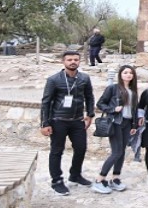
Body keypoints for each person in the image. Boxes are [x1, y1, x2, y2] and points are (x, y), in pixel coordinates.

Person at [40, 51, 95, 196]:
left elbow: (89, 97)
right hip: (59, 121)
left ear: (79, 61)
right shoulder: (53, 80)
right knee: (57, 151)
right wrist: (45, 123)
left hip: (77, 121)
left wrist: (90, 115)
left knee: (81, 148)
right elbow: (45, 102)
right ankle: (57, 181)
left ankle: (75, 175)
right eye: (69, 59)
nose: (73, 62)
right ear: (63, 62)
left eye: (76, 59)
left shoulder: (84, 78)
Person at [92, 65, 138, 194]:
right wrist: (112, 109)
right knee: (116, 152)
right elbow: (100, 103)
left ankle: (115, 178)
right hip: (116, 123)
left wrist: (134, 126)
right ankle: (99, 180)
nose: (128, 75)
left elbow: (133, 110)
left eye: (130, 73)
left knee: (122, 152)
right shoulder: (112, 88)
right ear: (120, 75)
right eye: (125, 72)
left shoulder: (133, 91)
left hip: (127, 124)